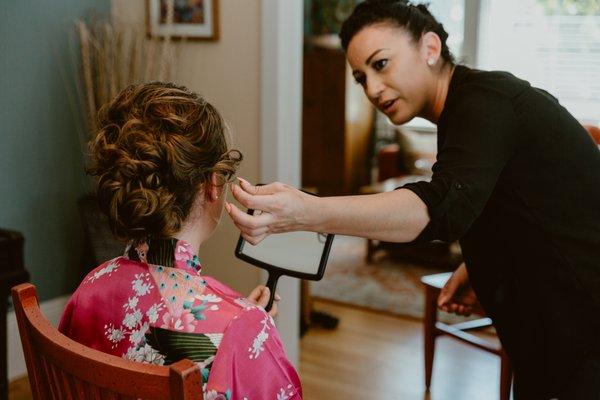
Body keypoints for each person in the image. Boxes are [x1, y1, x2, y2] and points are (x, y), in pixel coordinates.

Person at [225, 1, 600, 398]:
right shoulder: (463, 111)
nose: (371, 88)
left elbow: (440, 206)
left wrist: (306, 211)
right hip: (546, 338)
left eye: (381, 64)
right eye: (360, 77)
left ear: (430, 48)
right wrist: (479, 264)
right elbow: (516, 200)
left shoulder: (486, 102)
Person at [58, 82, 302, 399]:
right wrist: (246, 329)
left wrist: (242, 324)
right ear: (214, 183)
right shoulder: (241, 327)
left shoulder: (89, 289)